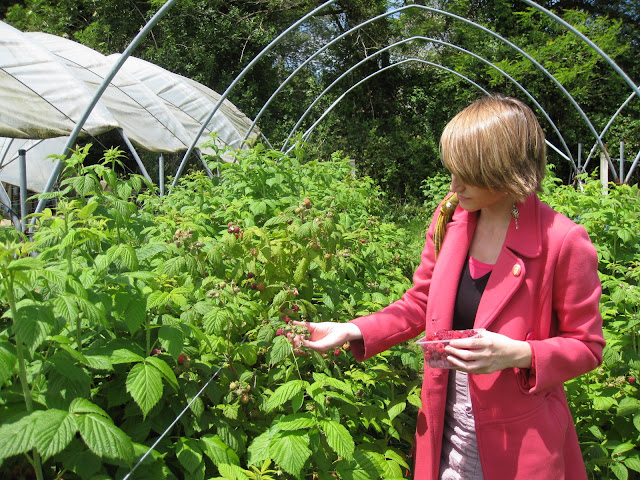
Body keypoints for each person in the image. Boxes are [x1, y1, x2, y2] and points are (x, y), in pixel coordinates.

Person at [291, 94, 605, 479]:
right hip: (444, 428)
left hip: (518, 447)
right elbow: (421, 301)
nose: (454, 185)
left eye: (467, 174)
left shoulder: (562, 241)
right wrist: (353, 329)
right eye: (452, 171)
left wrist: (520, 354)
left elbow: (587, 346)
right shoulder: (451, 217)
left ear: (503, 169)